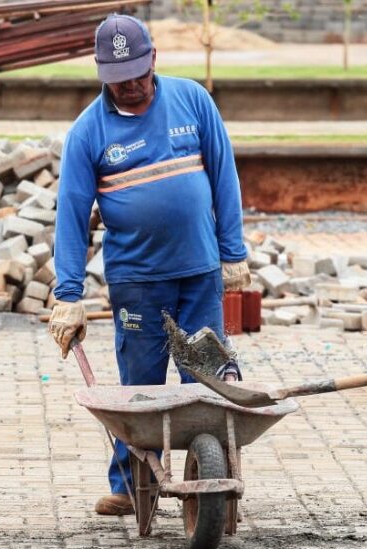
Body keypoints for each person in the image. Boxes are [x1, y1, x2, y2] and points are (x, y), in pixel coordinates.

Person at [48, 14, 250, 516]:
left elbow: (224, 178)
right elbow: (71, 215)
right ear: (101, 74)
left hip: (199, 272)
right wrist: (68, 295)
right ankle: (131, 481)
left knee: (208, 377)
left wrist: (234, 253)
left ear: (154, 59)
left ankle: (215, 473)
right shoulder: (88, 133)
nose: (131, 86)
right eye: (119, 79)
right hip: (136, 280)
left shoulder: (193, 101)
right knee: (140, 383)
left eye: (138, 73)